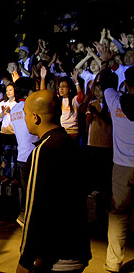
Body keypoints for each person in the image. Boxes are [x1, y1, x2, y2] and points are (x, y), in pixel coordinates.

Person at [17, 90, 91, 273]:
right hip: (78, 246)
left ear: (35, 117)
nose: (24, 119)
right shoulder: (71, 145)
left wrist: (26, 260)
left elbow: (34, 212)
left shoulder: (42, 152)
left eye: (25, 114)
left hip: (56, 255)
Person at [100, 66, 134, 273]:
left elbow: (105, 83)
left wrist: (105, 62)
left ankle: (113, 262)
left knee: (118, 214)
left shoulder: (114, 101)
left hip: (122, 168)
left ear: (127, 85)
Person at [10, 77, 39, 225]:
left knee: (26, 190)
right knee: (35, 192)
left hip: (21, 155)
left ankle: (23, 215)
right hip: (34, 154)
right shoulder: (31, 107)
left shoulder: (14, 109)